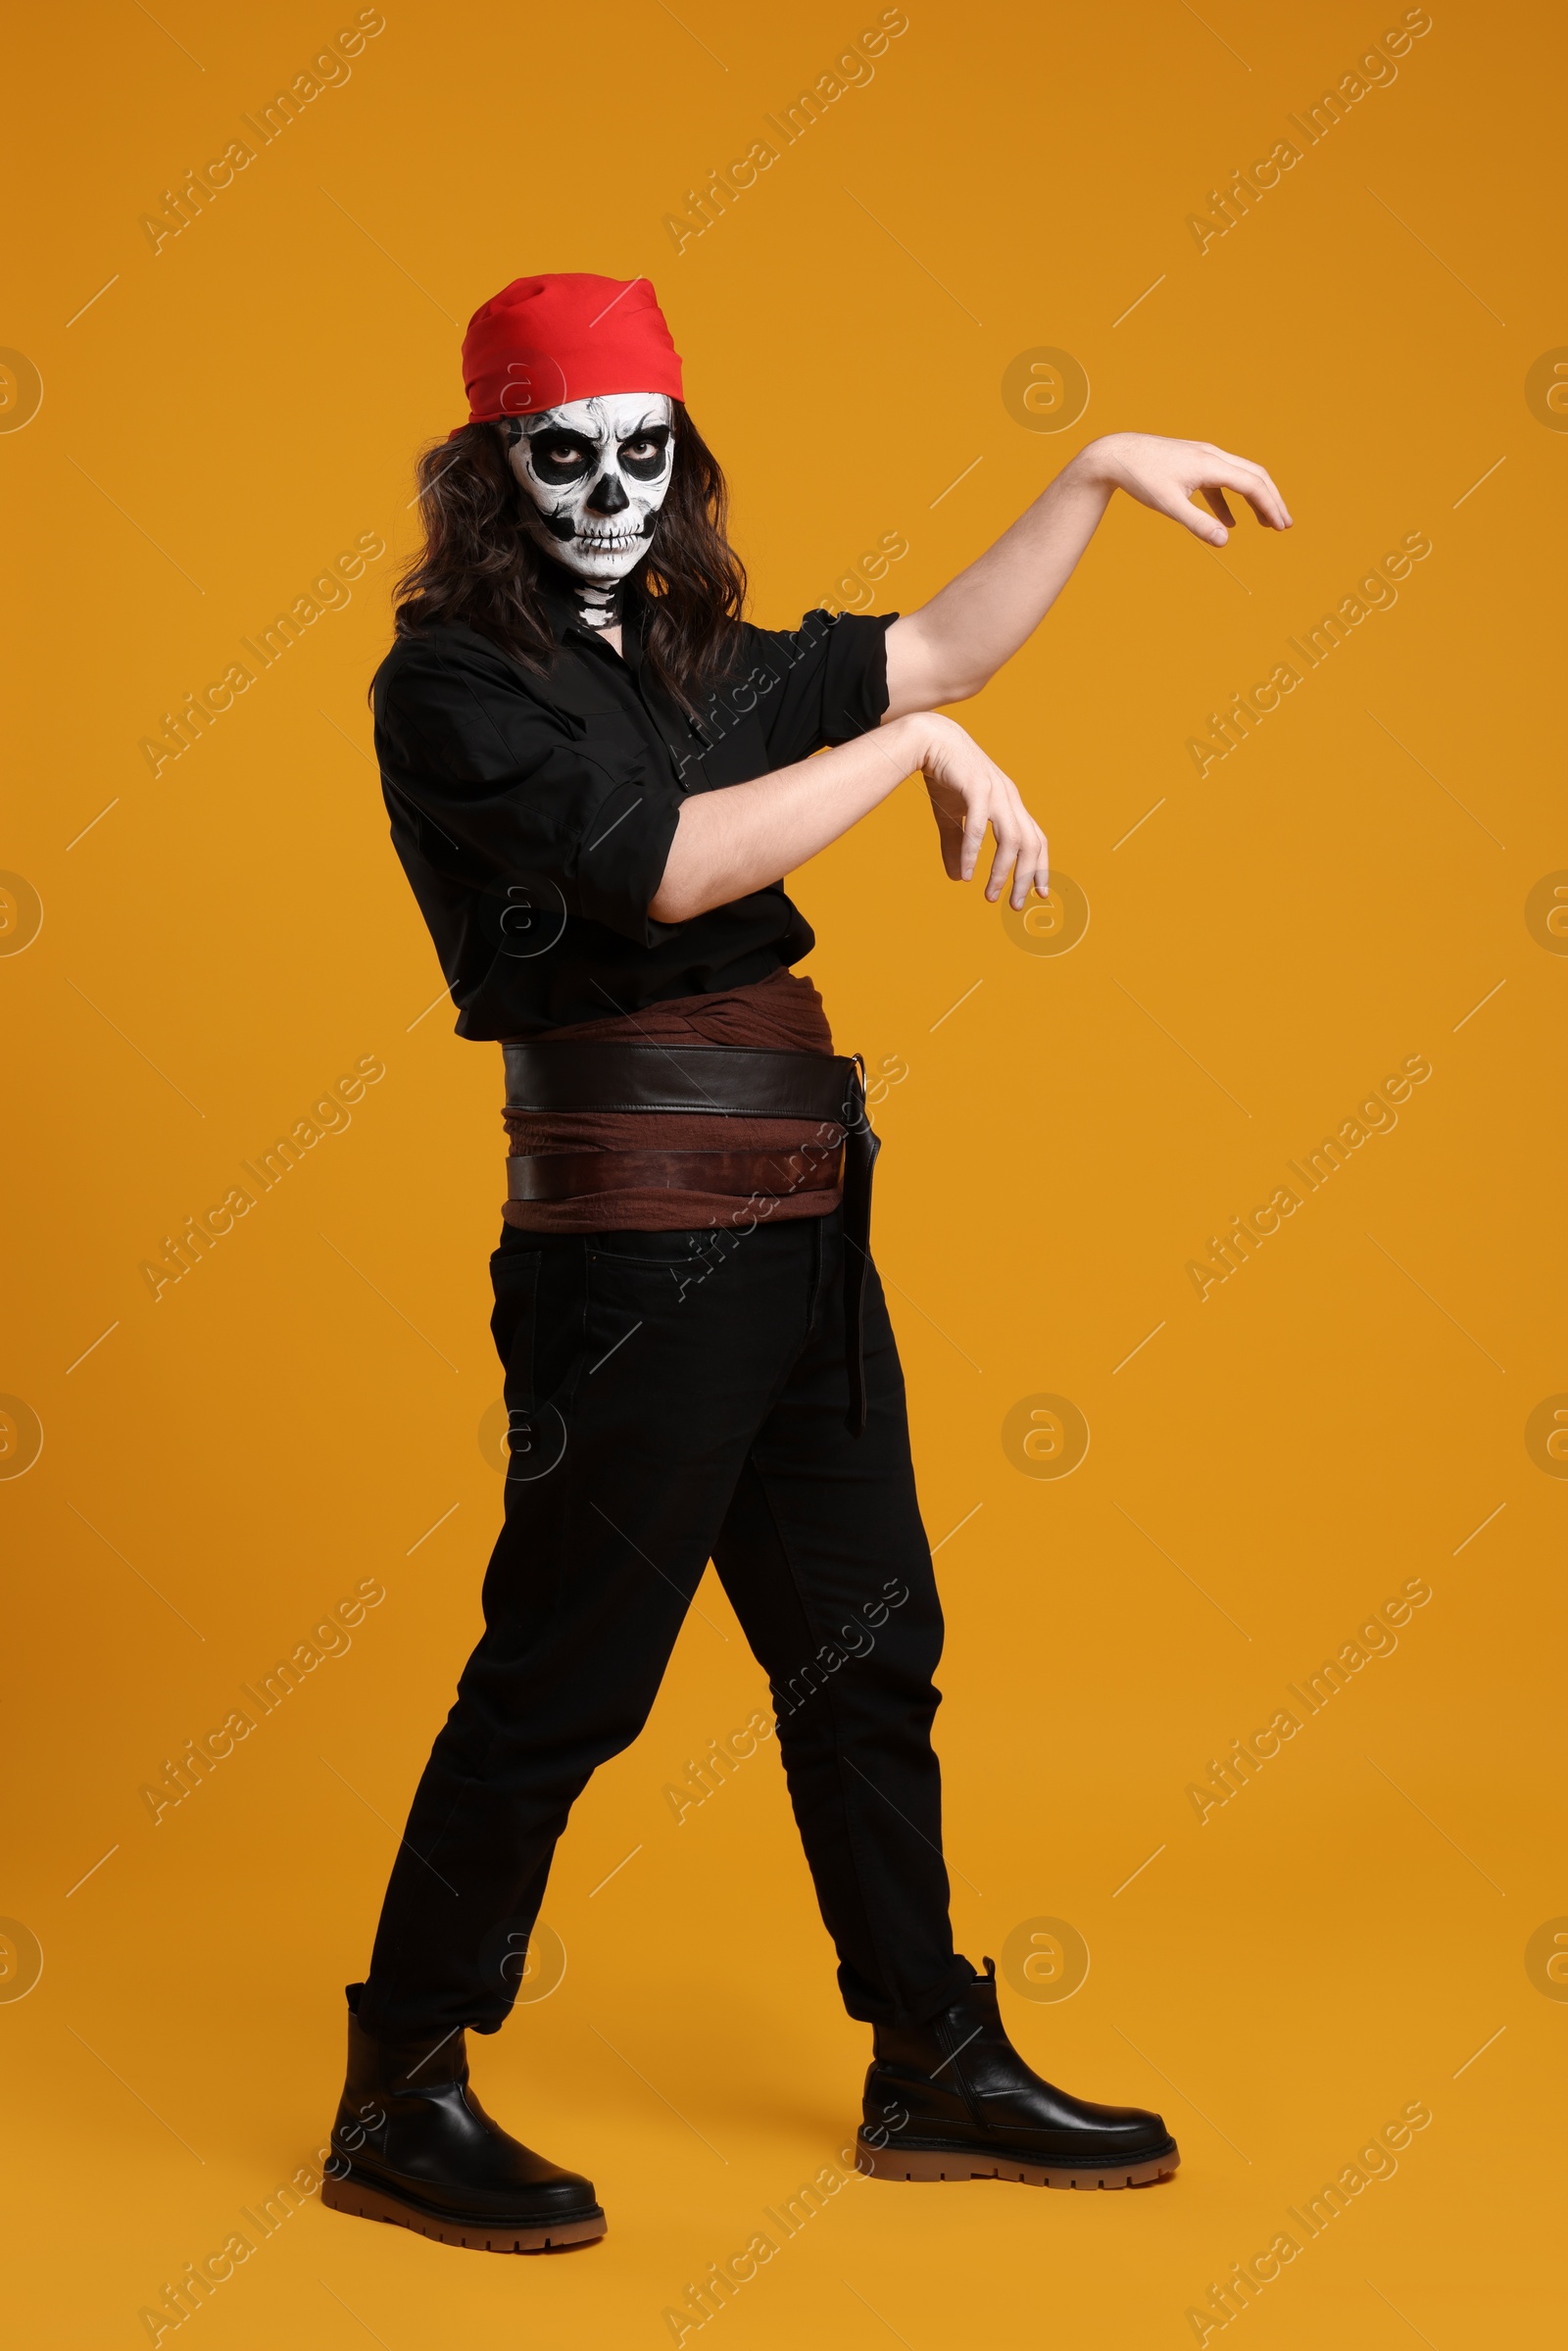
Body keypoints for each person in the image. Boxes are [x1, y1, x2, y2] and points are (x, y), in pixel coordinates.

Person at [323, 272, 1291, 2254]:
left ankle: (925, 2053)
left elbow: (932, 645)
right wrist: (913, 756)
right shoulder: (450, 685)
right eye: (562, 455)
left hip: (800, 1216)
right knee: (567, 1676)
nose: (607, 489)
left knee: (867, 1651)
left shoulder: (694, 654)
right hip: (632, 1246)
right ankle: (398, 2082)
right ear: (495, 472)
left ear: (677, 461)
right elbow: (666, 864)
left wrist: (1091, 477)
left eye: (641, 452)